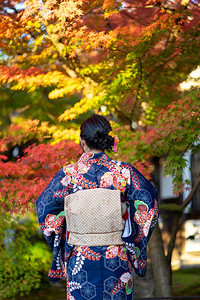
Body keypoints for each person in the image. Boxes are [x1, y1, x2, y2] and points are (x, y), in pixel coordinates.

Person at [36, 114, 158, 300]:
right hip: (116, 257)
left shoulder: (69, 174)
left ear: (82, 141)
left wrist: (65, 237)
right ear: (107, 139)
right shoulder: (123, 172)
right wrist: (130, 233)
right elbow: (148, 204)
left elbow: (45, 208)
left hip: (80, 258)